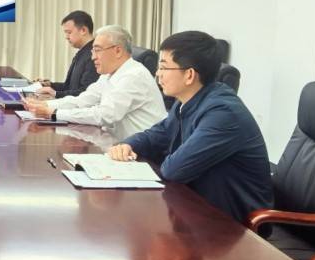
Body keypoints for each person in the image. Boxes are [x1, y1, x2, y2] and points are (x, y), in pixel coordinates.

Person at [109, 30, 272, 222]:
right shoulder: (187, 100)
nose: (157, 74)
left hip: (234, 223)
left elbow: (174, 170)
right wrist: (129, 145)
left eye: (164, 67)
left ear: (189, 75)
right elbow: (158, 134)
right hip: (200, 206)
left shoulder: (224, 113)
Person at [23, 25, 165, 140]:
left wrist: (54, 113)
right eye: (93, 51)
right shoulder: (109, 74)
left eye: (97, 50)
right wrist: (46, 105)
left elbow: (105, 115)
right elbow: (83, 101)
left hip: (144, 155)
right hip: (118, 145)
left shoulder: (133, 76)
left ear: (117, 51)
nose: (93, 57)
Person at [36, 10, 99, 99]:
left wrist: (56, 94)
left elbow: (86, 92)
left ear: (83, 30)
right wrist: (50, 85)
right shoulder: (82, 53)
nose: (66, 37)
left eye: (69, 32)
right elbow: (69, 87)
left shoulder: (94, 55)